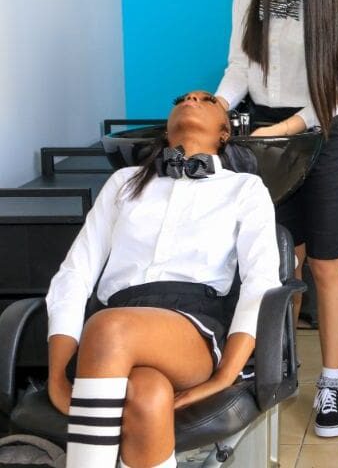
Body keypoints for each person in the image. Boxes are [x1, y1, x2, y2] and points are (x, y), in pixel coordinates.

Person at [46, 91, 281, 468]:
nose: (191, 99)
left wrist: (225, 376)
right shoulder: (124, 182)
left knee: (110, 327)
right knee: (147, 395)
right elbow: (75, 272)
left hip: (191, 326)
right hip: (116, 324)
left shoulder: (245, 189)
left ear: (224, 132)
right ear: (166, 129)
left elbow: (261, 282)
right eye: (183, 97)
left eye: (206, 99)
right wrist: (57, 375)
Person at [215, 0, 338, 438]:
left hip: (321, 127)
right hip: (267, 129)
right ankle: (274, 369)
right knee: (277, 259)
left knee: (324, 261)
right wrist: (215, 106)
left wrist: (289, 129)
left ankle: (332, 381)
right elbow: (239, 66)